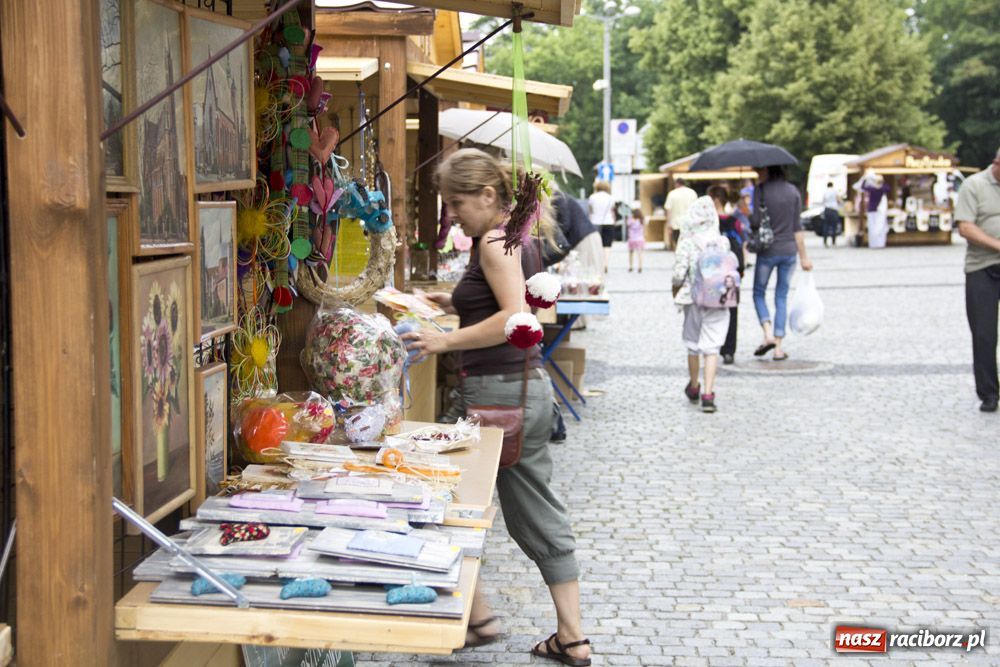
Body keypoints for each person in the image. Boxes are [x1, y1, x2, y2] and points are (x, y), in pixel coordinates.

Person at [401, 148, 591, 665]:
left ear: (487, 195)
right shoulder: (509, 234)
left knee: (441, 495)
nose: (451, 214)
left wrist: (442, 342)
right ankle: (560, 633)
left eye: (456, 202)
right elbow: (504, 302)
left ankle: (482, 616)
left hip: (496, 395)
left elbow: (514, 316)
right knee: (524, 505)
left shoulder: (493, 242)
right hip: (518, 391)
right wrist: (452, 302)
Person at [672, 196, 731, 413]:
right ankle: (708, 393)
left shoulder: (687, 242)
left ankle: (694, 386)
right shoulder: (722, 241)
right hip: (718, 299)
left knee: (693, 344)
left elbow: (679, 274)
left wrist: (675, 291)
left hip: (693, 299)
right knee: (712, 347)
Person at [751, 165, 813, 361]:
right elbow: (797, 227)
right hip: (789, 251)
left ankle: (767, 333)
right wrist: (804, 256)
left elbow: (755, 222)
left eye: (759, 170)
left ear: (768, 170)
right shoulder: (793, 191)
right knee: (781, 296)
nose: (757, 174)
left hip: (768, 250)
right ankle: (778, 348)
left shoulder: (760, 190)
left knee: (759, 292)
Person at [955, 145, 1000, 413]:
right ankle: (988, 392)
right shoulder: (974, 186)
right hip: (981, 268)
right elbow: (966, 227)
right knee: (984, 334)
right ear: (996, 164)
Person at [709, 186, 745, 365]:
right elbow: (740, 245)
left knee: (710, 309)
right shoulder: (734, 222)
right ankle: (729, 350)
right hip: (732, 272)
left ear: (715, 199)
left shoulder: (709, 223)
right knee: (731, 309)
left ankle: (712, 345)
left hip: (712, 274)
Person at [855, 171, 891, 248]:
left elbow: (862, 187)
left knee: (874, 227)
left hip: (873, 210)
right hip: (878, 211)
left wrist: (865, 178)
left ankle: (874, 244)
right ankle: (879, 244)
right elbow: (888, 188)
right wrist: (881, 182)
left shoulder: (873, 189)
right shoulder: (881, 189)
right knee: (879, 228)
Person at [587, 180, 615, 272]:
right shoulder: (610, 198)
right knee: (607, 245)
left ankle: (597, 263)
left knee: (596, 243)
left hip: (595, 222)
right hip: (608, 222)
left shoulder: (592, 197)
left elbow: (590, 211)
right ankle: (605, 263)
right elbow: (612, 211)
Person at [665, 177, 697, 250]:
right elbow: (696, 208)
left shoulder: (672, 194)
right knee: (689, 244)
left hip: (676, 224)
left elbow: (668, 209)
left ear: (676, 184)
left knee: (678, 244)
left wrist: (668, 224)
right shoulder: (692, 193)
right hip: (690, 223)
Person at [821, 181, 841, 247]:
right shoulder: (835, 191)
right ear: (832, 185)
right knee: (834, 226)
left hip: (827, 209)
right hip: (834, 210)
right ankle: (833, 241)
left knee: (826, 226)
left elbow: (823, 201)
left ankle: (825, 241)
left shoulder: (825, 192)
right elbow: (838, 200)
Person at [626, 207, 646, 272]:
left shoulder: (631, 220)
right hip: (640, 239)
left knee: (631, 253)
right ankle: (640, 266)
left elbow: (627, 224)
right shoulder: (641, 220)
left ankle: (630, 266)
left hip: (632, 239)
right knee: (640, 253)